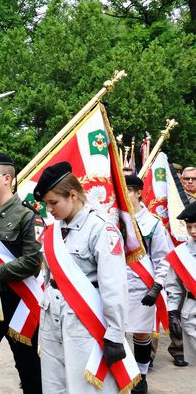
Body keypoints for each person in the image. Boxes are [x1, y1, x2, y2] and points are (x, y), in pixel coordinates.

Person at [34, 162, 128, 394]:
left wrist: (115, 333)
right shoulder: (53, 229)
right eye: (47, 204)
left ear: (73, 195)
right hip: (51, 313)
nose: (50, 210)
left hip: (83, 317)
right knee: (52, 384)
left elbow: (113, 283)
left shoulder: (101, 228)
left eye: (54, 203)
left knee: (84, 386)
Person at [0, 152, 42, 394]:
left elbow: (33, 262)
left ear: (6, 178)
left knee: (28, 367)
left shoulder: (27, 215)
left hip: (18, 302)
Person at [124, 176, 172, 394]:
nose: (125, 196)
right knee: (114, 333)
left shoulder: (152, 223)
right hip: (116, 285)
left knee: (141, 334)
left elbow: (162, 259)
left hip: (142, 286)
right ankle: (122, 375)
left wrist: (157, 286)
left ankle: (141, 376)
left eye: (129, 191)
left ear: (138, 193)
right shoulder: (114, 219)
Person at [165, 201, 196, 366]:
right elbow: (174, 287)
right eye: (189, 227)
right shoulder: (180, 254)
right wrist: (172, 315)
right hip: (191, 312)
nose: (193, 231)